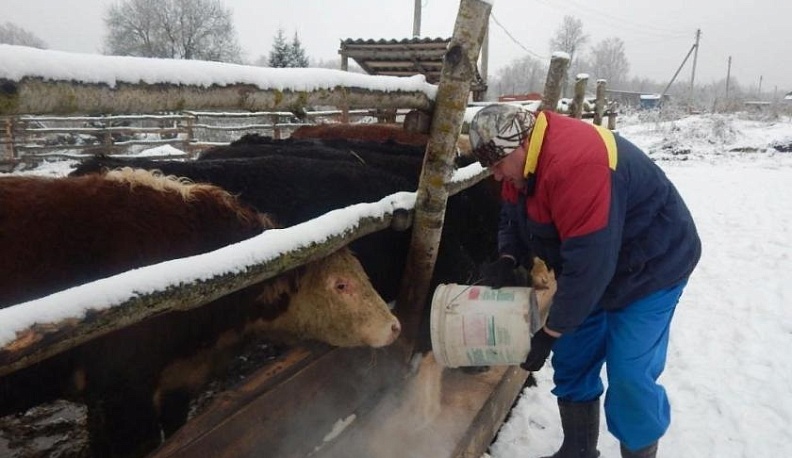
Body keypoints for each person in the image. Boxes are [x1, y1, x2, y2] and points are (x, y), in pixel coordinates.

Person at [470, 104, 701, 458]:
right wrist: (508, 258)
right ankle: (577, 450)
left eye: (499, 164)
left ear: (521, 144)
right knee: (573, 357)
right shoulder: (523, 166)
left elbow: (590, 265)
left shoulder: (576, 166)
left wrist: (549, 332)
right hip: (594, 265)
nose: (497, 176)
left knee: (629, 374)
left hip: (651, 267)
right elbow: (512, 216)